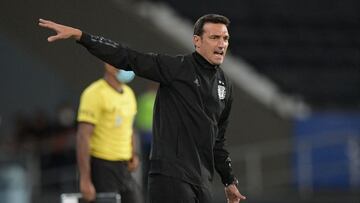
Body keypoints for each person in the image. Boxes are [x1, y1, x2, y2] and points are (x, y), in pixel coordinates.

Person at [39, 14, 246, 203]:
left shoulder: (225, 85)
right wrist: (82, 36)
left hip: (202, 179)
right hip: (170, 176)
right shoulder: (176, 68)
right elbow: (128, 57)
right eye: (214, 38)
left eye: (225, 39)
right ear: (197, 41)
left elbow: (218, 140)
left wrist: (229, 181)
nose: (221, 44)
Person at [76, 63, 142, 203]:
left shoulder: (129, 93)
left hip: (124, 168)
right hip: (102, 167)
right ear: (109, 66)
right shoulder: (94, 93)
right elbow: (83, 136)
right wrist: (85, 179)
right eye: (124, 64)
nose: (129, 70)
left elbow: (130, 128)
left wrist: (133, 154)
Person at [135, 82, 157, 199]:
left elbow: (138, 119)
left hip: (145, 137)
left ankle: (145, 191)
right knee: (154, 166)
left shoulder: (142, 99)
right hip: (154, 138)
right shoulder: (157, 98)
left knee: (146, 166)